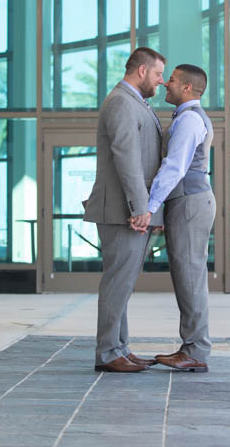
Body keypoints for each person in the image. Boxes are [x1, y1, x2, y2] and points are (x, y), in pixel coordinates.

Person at [83, 47, 166, 373]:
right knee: (118, 282)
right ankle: (107, 352)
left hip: (128, 211)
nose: (161, 81)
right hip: (121, 212)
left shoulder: (134, 102)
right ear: (142, 71)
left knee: (123, 282)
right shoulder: (120, 102)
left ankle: (119, 347)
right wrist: (140, 208)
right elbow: (127, 159)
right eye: (158, 74)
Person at [132, 64, 215, 373]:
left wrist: (149, 208)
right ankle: (192, 347)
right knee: (187, 276)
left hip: (190, 202)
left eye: (174, 80)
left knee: (190, 277)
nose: (166, 83)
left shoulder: (190, 120)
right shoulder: (187, 117)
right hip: (188, 202)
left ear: (188, 89)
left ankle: (195, 350)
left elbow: (174, 168)